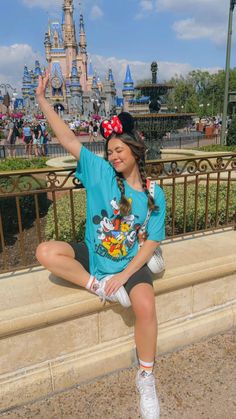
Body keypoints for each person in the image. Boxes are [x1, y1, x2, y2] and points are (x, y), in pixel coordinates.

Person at [35, 70, 166, 419]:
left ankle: (147, 379)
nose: (113, 156)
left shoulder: (153, 193)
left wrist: (124, 276)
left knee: (146, 306)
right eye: (110, 152)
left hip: (129, 263)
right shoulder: (100, 172)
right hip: (97, 258)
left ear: (135, 149)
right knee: (44, 252)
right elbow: (66, 138)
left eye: (119, 150)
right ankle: (97, 286)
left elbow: (151, 239)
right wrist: (42, 100)